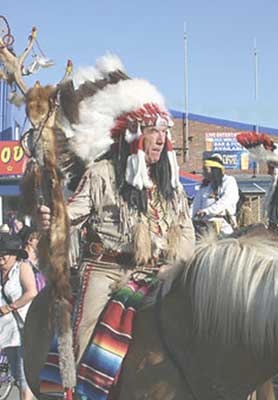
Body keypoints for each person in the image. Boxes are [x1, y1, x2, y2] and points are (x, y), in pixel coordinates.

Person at [37, 54, 195, 368]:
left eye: (164, 132)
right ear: (134, 135)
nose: (161, 139)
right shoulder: (102, 174)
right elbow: (72, 214)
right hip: (106, 272)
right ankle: (75, 386)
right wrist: (53, 219)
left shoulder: (170, 186)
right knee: (85, 331)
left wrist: (176, 267)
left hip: (158, 274)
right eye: (153, 131)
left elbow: (186, 230)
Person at [0, 234, 37, 400]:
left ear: (15, 254)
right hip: (6, 333)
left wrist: (9, 307)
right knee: (15, 375)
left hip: (23, 331)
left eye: (5, 253)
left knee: (24, 381)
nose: (1, 256)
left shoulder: (22, 268)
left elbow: (31, 292)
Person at [191, 153, 239, 235]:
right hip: (204, 227)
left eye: (206, 170)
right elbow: (195, 205)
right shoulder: (205, 187)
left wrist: (207, 211)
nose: (203, 173)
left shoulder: (229, 181)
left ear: (214, 170)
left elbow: (225, 201)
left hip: (223, 227)